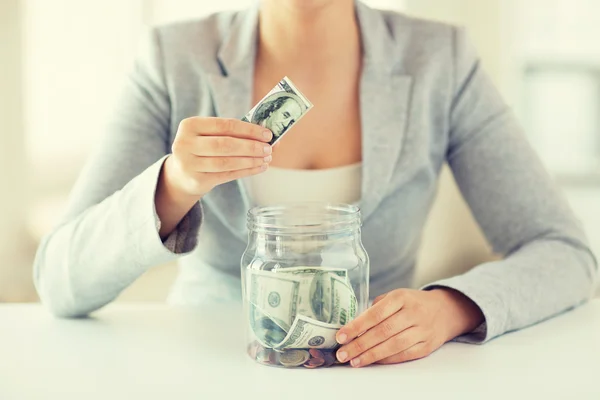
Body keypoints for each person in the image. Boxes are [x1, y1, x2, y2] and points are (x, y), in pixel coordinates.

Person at [34, 0, 597, 368]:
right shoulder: (172, 59)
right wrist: (174, 185)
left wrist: (450, 307)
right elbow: (59, 282)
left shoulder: (440, 61)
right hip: (208, 365)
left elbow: (568, 254)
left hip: (377, 370)